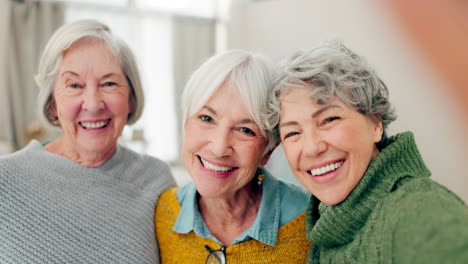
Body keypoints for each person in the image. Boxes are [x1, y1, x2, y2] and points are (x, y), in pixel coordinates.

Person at [271, 41, 468, 263]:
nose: (312, 148)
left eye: (329, 119)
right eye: (293, 133)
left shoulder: (420, 212)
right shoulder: (323, 229)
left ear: (375, 124)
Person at [0, 20, 176, 263]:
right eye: (74, 85)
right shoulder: (5, 178)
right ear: (52, 103)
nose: (93, 104)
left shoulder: (155, 179)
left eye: (109, 84)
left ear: (131, 98)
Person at [155, 50, 311, 263]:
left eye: (246, 130)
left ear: (268, 151)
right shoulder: (161, 212)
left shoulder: (311, 220)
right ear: (185, 123)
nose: (219, 148)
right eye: (206, 118)